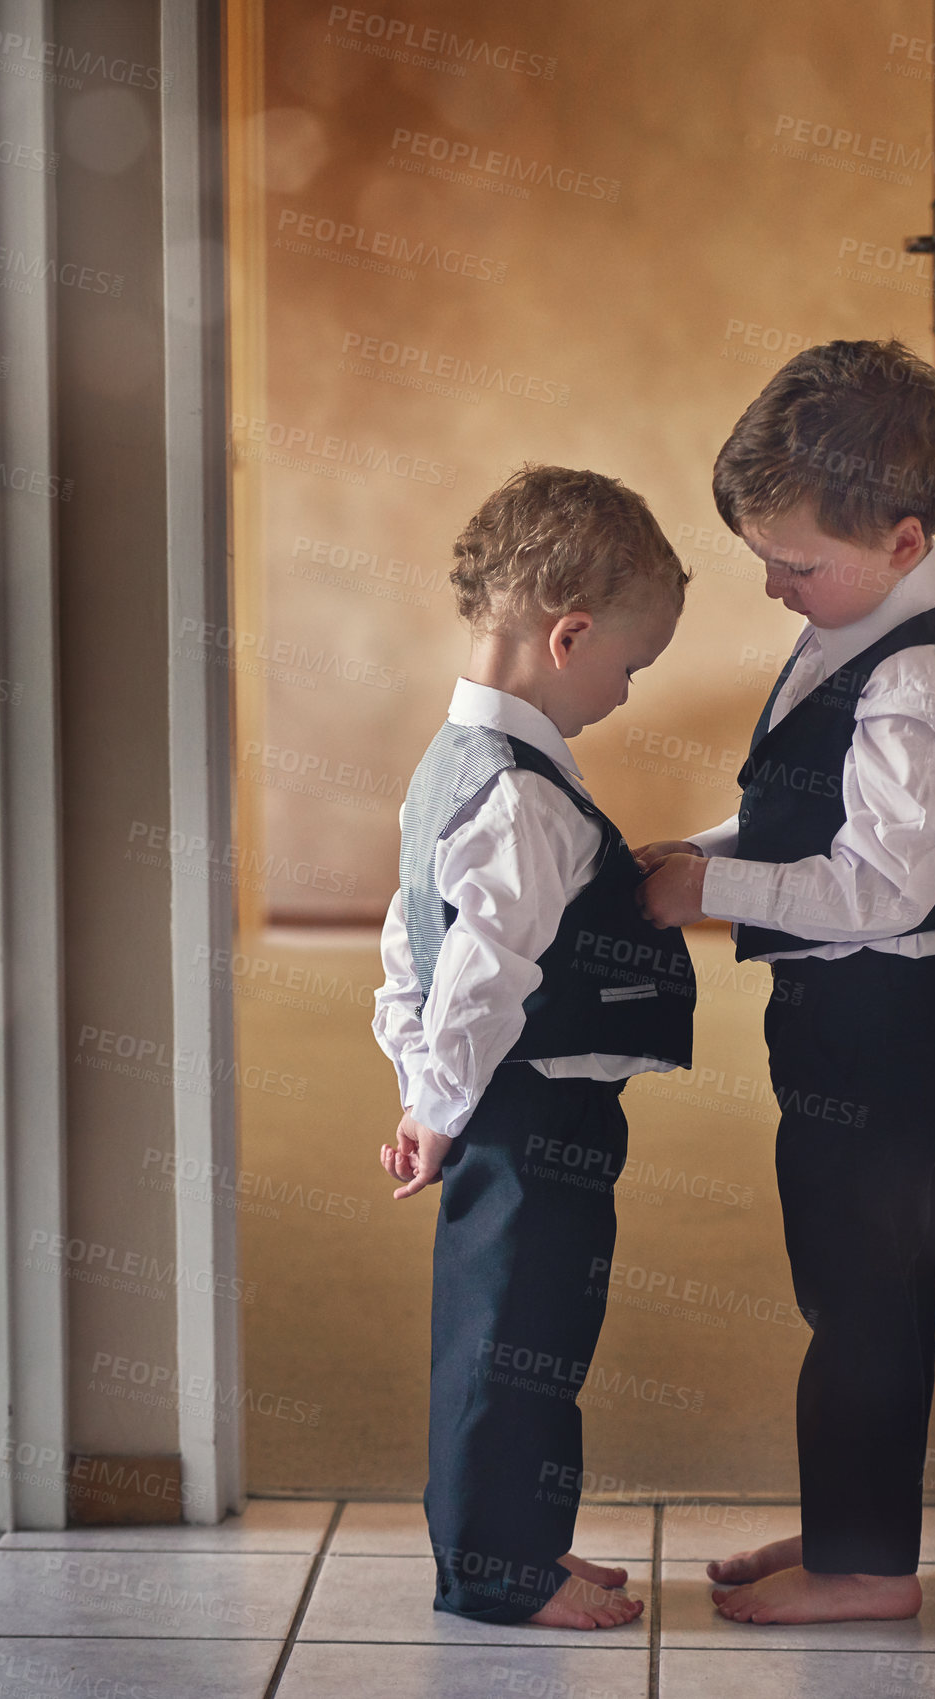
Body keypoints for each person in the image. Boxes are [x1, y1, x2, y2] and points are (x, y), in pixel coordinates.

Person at [638, 339, 935, 1625]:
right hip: (838, 1017)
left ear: (902, 543)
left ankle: (870, 1569)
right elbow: (813, 829)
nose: (778, 588)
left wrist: (708, 893)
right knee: (837, 1283)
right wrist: (703, 851)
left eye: (797, 564)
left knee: (868, 1295)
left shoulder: (916, 677)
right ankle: (849, 1520)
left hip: (889, 1027)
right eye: (765, 561)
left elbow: (882, 890)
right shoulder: (857, 624)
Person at [373, 464, 697, 1629]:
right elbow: (481, 979)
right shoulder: (526, 801)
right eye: (629, 664)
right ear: (569, 637)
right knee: (524, 1342)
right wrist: (446, 1105)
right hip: (537, 1121)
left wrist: (422, 1095)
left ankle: (514, 1546)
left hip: (495, 1112)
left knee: (509, 1334)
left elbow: (411, 946)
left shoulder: (451, 765)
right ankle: (502, 1573)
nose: (625, 689)